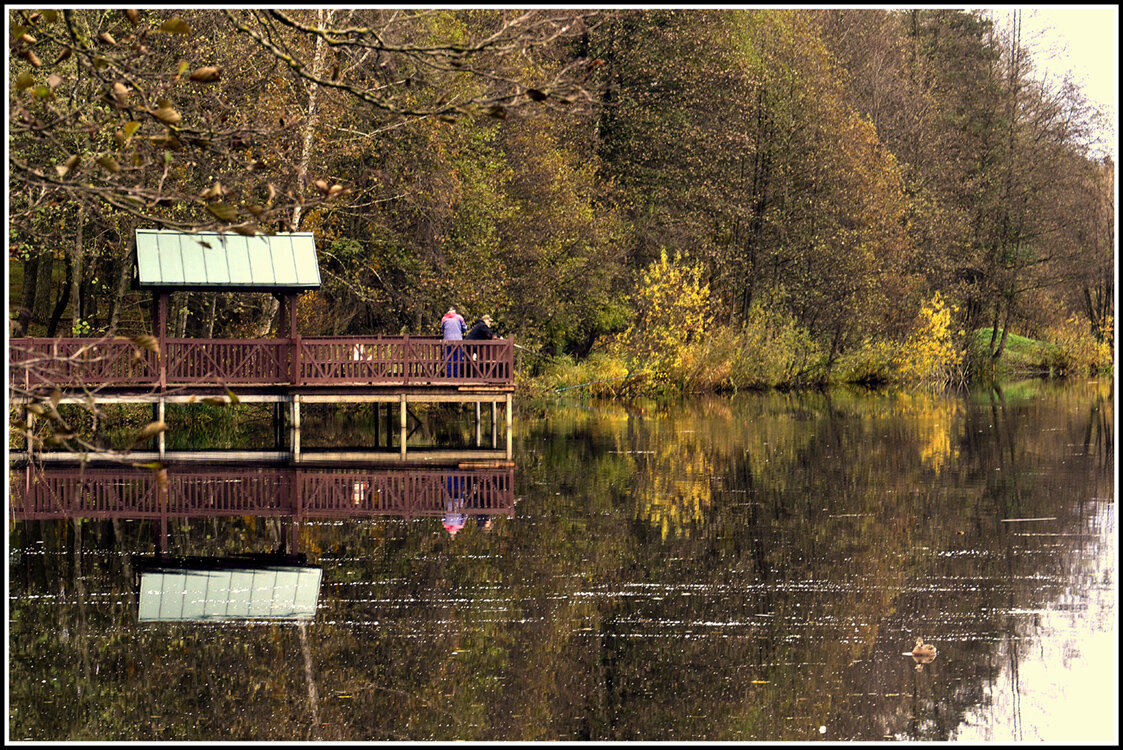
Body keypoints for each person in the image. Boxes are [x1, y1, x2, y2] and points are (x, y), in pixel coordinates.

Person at [440, 307, 466, 377]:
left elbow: (442, 329)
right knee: (458, 359)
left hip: (447, 341)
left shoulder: (444, 318)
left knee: (448, 359)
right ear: (455, 311)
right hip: (458, 342)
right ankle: (457, 375)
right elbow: (464, 328)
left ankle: (448, 375)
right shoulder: (459, 317)